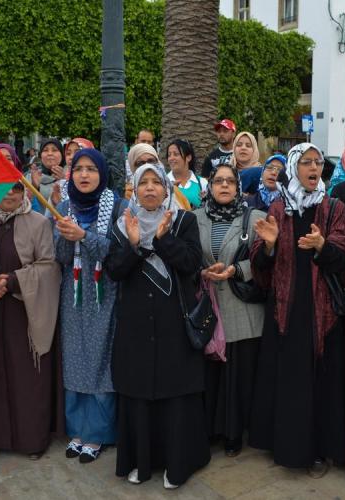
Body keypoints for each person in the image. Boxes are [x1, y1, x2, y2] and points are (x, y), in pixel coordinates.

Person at [249, 143, 345, 474]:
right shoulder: (278, 207)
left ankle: (320, 448)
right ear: (293, 167)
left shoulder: (333, 207)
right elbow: (259, 265)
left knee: (320, 380)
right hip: (286, 309)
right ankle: (288, 448)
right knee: (290, 380)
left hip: (322, 311)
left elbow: (344, 255)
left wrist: (323, 246)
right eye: (305, 162)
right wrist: (269, 245)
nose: (313, 168)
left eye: (318, 162)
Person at [107, 163, 210, 488]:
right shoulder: (123, 224)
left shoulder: (184, 220)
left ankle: (178, 465)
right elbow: (114, 270)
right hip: (136, 328)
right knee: (139, 395)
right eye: (143, 183)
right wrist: (135, 245)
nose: (150, 188)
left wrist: (163, 240)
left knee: (175, 396)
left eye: (156, 183)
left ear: (167, 189)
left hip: (175, 327)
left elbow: (193, 264)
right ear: (134, 190)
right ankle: (142, 462)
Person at [0, 181, 61, 460]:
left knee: (27, 376)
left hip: (24, 312)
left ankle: (32, 439)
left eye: (16, 188)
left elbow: (48, 266)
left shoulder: (38, 223)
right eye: (2, 187)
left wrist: (10, 282)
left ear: (24, 191)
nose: (10, 193)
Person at [54, 148, 126, 463]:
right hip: (72, 294)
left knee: (100, 362)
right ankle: (78, 431)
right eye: (78, 169)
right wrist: (68, 238)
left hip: (104, 293)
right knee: (74, 359)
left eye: (91, 169)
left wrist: (84, 235)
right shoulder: (61, 207)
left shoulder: (117, 207)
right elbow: (60, 257)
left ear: (102, 173)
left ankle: (98, 434)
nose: (84, 175)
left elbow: (117, 254)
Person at [194, 163, 266, 457]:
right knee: (211, 374)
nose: (224, 186)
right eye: (218, 181)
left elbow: (266, 261)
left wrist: (237, 269)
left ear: (238, 187)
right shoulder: (193, 218)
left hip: (242, 310)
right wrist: (202, 271)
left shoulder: (255, 218)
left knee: (238, 376)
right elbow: (187, 256)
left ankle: (234, 434)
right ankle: (211, 430)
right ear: (209, 186)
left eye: (230, 181)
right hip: (209, 308)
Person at [27, 138, 65, 213]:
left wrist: (64, 182)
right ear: (40, 155)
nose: (50, 153)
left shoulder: (72, 177)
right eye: (45, 150)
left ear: (62, 154)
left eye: (54, 150)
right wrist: (34, 187)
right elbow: (21, 206)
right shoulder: (30, 176)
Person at [167, 139, 208, 209]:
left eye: (176, 154)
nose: (171, 158)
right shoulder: (164, 182)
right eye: (169, 155)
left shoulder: (202, 183)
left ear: (188, 157)